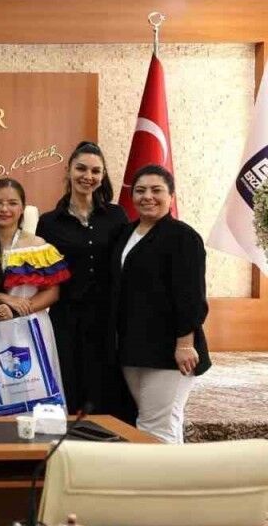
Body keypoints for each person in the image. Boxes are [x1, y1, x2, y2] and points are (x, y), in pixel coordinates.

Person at [111, 164, 210, 444]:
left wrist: (184, 344)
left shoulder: (183, 237)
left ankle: (160, 475)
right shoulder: (125, 233)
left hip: (170, 352)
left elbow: (191, 296)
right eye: (140, 190)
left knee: (156, 428)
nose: (147, 197)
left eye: (156, 190)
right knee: (159, 423)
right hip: (133, 349)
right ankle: (175, 473)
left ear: (171, 196)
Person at [36, 141, 133, 420]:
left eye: (95, 171)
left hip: (107, 321)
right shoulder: (49, 222)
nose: (87, 176)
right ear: (68, 170)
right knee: (69, 386)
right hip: (66, 320)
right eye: (81, 169)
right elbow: (44, 276)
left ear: (103, 176)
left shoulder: (116, 216)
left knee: (105, 391)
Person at [0, 178, 68, 324]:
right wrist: (4, 298)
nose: (4, 209)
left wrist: (14, 310)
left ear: (22, 208)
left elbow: (52, 292)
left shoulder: (38, 247)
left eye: (12, 203)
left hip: (28, 326)